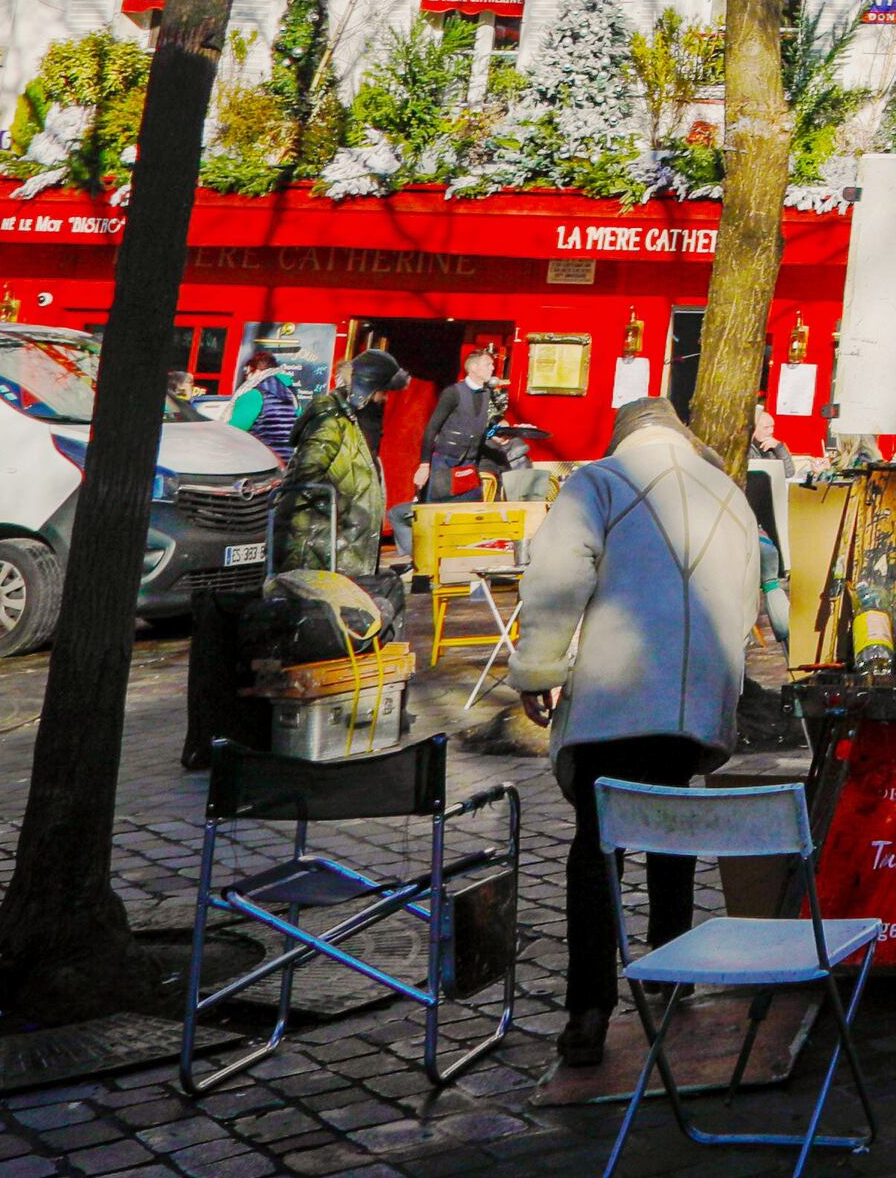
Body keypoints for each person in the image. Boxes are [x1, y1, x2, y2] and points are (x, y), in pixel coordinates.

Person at [511, 395, 784, 1069]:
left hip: (618, 694)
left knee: (595, 851)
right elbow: (755, 588)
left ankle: (589, 1009)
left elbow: (556, 575)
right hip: (694, 703)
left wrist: (539, 665)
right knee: (673, 826)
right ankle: (668, 965)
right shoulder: (730, 495)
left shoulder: (599, 481)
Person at [272, 345, 399, 586]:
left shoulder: (360, 415)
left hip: (345, 536)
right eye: (384, 390)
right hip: (326, 537)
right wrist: (331, 514)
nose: (386, 397)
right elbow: (305, 474)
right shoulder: (332, 419)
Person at [418, 342, 513, 505]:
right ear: (474, 368)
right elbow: (432, 428)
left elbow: (481, 428)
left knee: (468, 514)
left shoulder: (486, 394)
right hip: (445, 463)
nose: (492, 368)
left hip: (469, 465)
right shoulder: (453, 393)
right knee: (438, 515)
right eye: (488, 364)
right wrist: (424, 465)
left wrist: (494, 436)